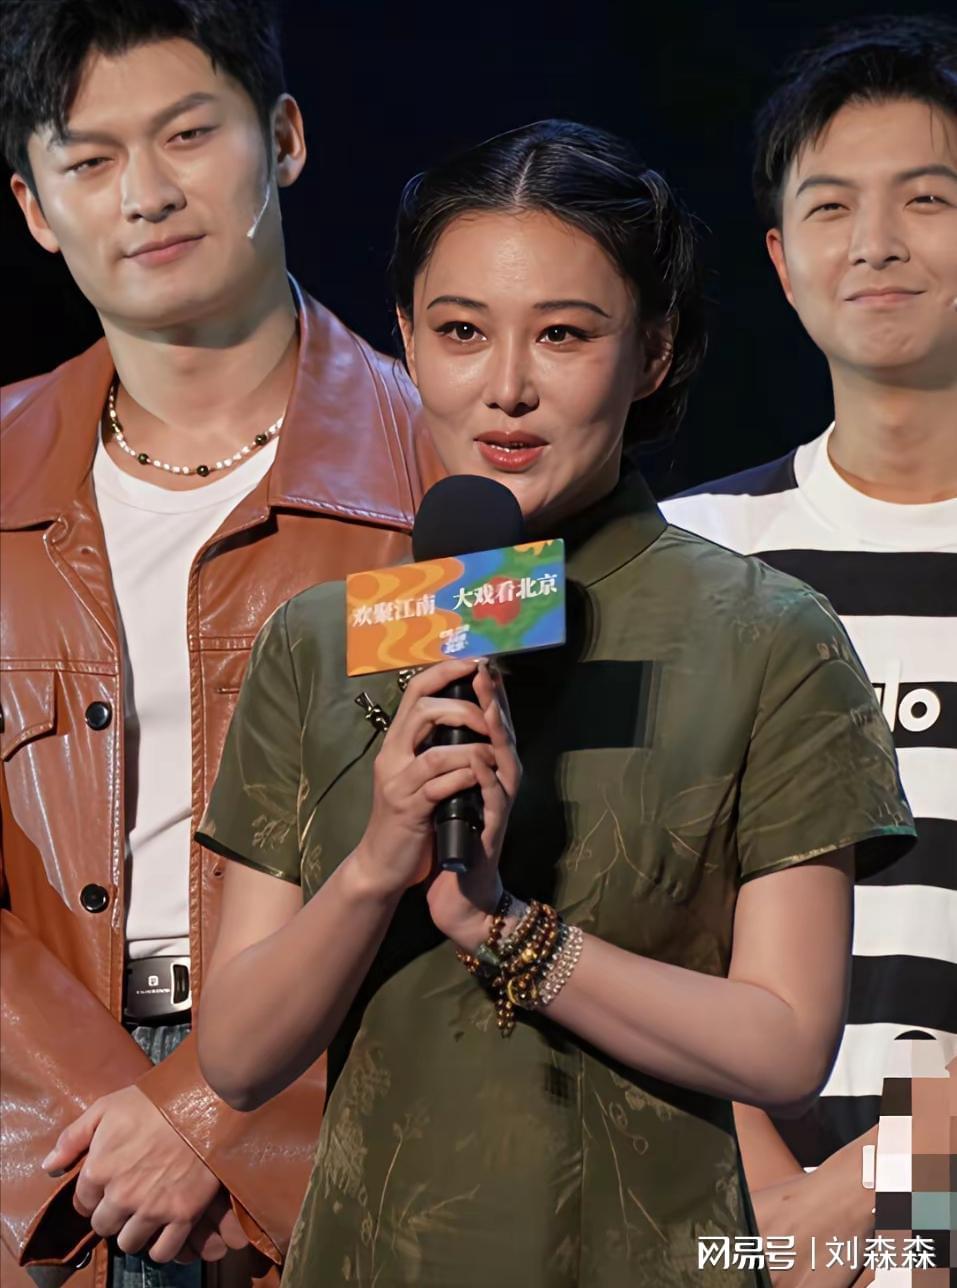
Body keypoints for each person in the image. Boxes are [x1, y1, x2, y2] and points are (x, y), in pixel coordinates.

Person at [195, 120, 916, 1288]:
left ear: (655, 350)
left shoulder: (766, 634)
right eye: (461, 332)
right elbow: (233, 1056)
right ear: (406, 341)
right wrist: (378, 863)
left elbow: (786, 1042)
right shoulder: (326, 638)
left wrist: (510, 931)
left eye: (565, 334)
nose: (507, 389)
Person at [0, 3, 436, 1286]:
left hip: (355, 1148)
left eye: (188, 134)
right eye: (89, 159)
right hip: (48, 1159)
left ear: (284, 138)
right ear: (34, 207)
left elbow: (494, 853)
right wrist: (107, 1120)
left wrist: (213, 1114)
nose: (145, 193)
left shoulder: (449, 475)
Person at [661, 17, 957, 1282]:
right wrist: (772, 1213)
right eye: (832, 206)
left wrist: (882, 1195)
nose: (876, 242)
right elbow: (646, 916)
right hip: (740, 1225)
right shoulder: (691, 552)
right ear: (783, 262)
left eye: (927, 198)